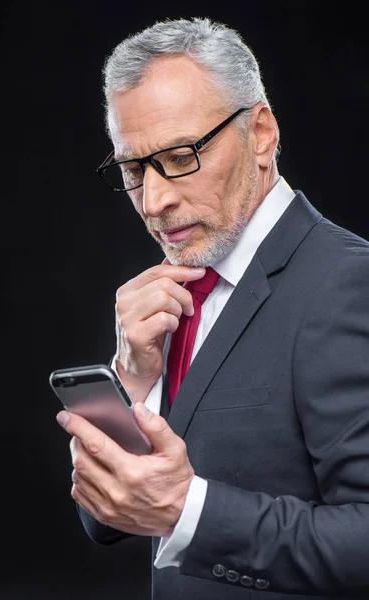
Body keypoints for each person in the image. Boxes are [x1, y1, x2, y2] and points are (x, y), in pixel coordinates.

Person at [56, 17, 369, 599]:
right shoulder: (172, 300)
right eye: (132, 170)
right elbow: (105, 518)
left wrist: (189, 511)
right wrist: (131, 385)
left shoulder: (350, 284)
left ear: (262, 133)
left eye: (179, 156)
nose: (155, 201)